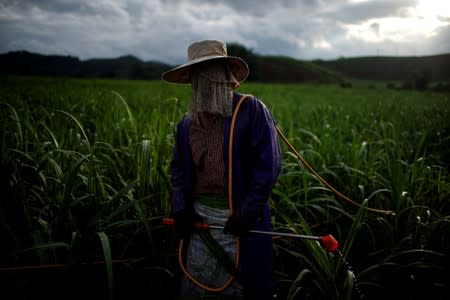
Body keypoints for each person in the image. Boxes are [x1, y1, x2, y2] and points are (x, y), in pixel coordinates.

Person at [162, 40, 281, 300]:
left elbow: (267, 168)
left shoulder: (251, 111)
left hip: (238, 219)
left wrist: (246, 214)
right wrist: (180, 209)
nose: (205, 82)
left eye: (212, 73)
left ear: (224, 75)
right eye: (198, 76)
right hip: (200, 219)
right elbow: (179, 172)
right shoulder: (186, 125)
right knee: (199, 284)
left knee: (242, 286)